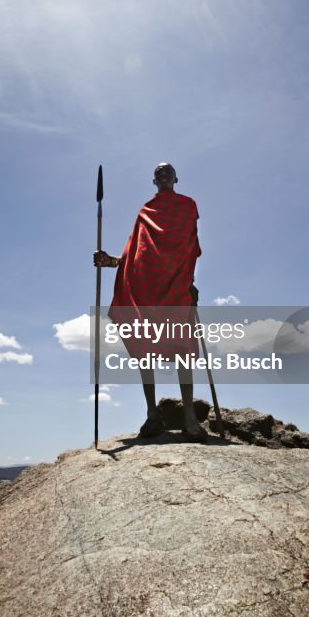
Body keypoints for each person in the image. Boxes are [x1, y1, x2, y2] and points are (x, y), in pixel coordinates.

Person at [94, 162, 208, 441]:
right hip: (146, 286)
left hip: (177, 285)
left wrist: (189, 281)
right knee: (144, 348)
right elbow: (136, 255)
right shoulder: (145, 212)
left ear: (176, 178)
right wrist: (110, 262)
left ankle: (190, 420)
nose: (163, 174)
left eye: (167, 171)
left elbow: (189, 247)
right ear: (153, 181)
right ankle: (152, 415)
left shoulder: (187, 206)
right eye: (158, 173)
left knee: (183, 348)